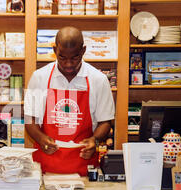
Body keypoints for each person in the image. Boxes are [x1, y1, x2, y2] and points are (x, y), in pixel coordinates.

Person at [24, 26, 115, 176]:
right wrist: (41, 139)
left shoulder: (98, 80)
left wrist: (95, 140)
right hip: (45, 168)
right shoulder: (39, 77)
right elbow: (30, 119)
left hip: (84, 168)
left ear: (83, 51)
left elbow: (105, 121)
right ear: (55, 50)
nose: (68, 64)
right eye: (62, 57)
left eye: (74, 57)